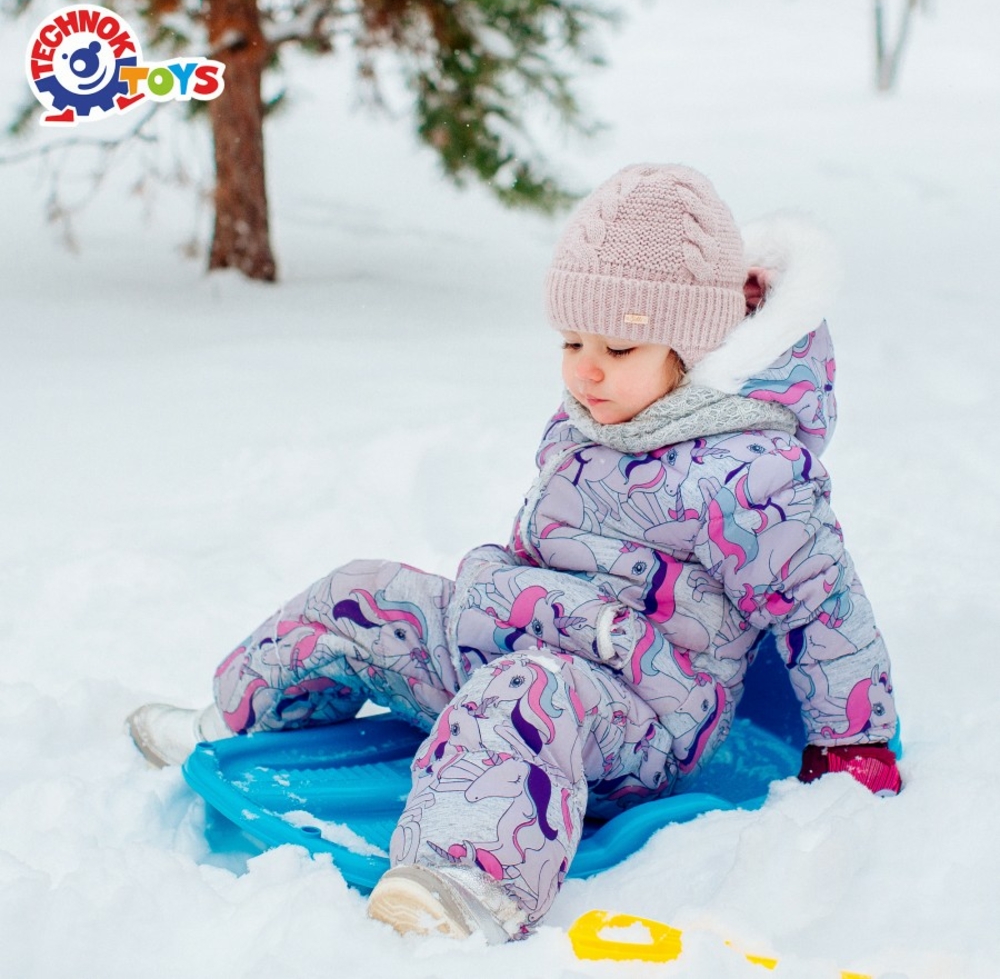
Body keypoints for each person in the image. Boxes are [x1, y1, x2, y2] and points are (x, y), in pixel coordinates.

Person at [127, 163, 901, 943]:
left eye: (621, 347)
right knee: (363, 595)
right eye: (572, 340)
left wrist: (856, 743)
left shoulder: (750, 473)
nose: (585, 369)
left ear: (689, 351)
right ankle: (235, 724)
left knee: (529, 691)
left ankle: (469, 877)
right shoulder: (597, 416)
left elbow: (821, 604)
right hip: (515, 637)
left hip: (637, 712)